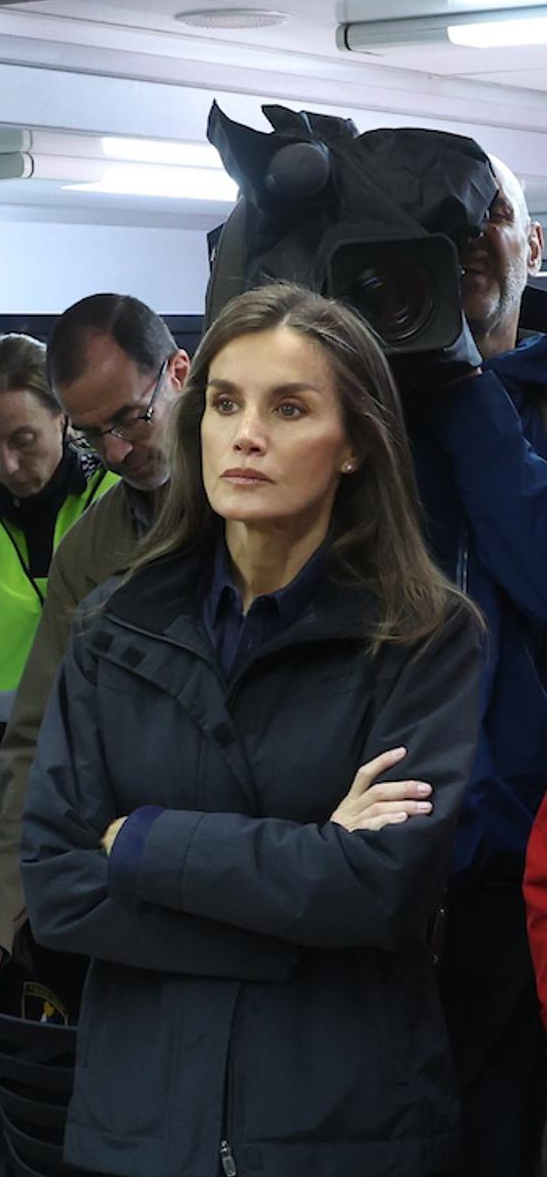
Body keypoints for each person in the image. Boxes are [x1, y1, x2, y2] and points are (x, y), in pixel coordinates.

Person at [21, 283, 482, 1177]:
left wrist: (143, 841)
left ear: (353, 445)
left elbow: (382, 890)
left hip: (344, 1125)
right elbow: (59, 886)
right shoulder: (117, 624)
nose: (246, 434)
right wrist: (306, 877)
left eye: (291, 407)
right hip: (141, 1126)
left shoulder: (422, 633)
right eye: (226, 403)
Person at [0, 295, 189, 1021]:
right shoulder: (91, 549)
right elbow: (38, 742)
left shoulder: (265, 501)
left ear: (179, 374)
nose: (113, 452)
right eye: (91, 432)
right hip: (136, 876)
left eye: (128, 421)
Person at [410, 156, 547, 1174]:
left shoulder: (513, 406)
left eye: (490, 214)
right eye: (439, 221)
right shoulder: (362, 421)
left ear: (532, 246)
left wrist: (465, 387)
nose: (467, 236)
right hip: (387, 888)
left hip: (522, 887)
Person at [0, 332, 115, 855]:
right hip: (9, 759)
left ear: (63, 416)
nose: (5, 465)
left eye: (22, 440)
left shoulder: (125, 498)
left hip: (121, 753)